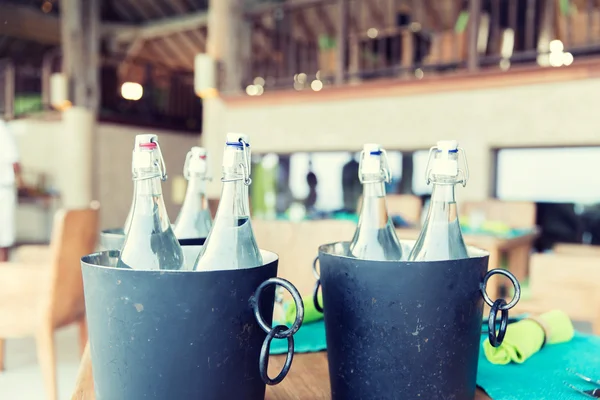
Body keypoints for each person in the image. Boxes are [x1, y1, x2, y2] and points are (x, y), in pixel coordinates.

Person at [0, 119, 23, 262]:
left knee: (3, 237)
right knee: (3, 237)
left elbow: (14, 161)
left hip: (3, 187)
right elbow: (15, 162)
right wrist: (21, 181)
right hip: (3, 189)